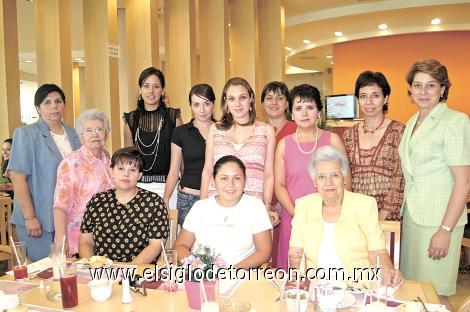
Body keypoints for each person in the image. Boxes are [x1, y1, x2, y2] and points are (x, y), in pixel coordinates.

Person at [398, 59, 470, 303]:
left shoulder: (455, 121)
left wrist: (445, 230)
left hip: (439, 222)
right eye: (417, 85)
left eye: (431, 85)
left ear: (443, 88)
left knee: (435, 296)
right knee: (415, 291)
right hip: (413, 217)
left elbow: (463, 183)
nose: (423, 91)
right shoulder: (412, 122)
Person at [289, 145, 403, 286]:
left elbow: (378, 252)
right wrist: (298, 285)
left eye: (335, 175)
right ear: (314, 182)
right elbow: (296, 251)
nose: (328, 182)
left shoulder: (365, 205)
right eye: (322, 177)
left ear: (344, 178)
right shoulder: (303, 205)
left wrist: (387, 271)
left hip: (358, 288)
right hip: (317, 289)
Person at [274, 84, 350, 271]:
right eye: (298, 108)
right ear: (291, 112)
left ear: (319, 111)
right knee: (294, 278)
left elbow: (346, 180)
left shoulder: (332, 140)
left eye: (310, 107)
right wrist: (297, 214)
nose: (304, 113)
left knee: (327, 271)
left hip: (329, 218)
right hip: (294, 218)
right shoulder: (284, 145)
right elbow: (279, 185)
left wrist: (330, 212)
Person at [8, 84, 81, 261]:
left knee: (70, 271)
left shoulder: (74, 133)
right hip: (39, 219)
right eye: (47, 102)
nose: (54, 106)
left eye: (58, 101)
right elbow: (18, 178)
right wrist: (30, 217)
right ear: (38, 108)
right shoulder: (26, 134)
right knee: (44, 273)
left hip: (69, 218)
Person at [200, 77, 278, 225]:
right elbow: (208, 170)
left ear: (251, 100)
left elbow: (269, 174)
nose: (237, 104)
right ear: (226, 103)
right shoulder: (215, 129)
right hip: (217, 203)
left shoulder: (266, 130)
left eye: (242, 97)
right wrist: (203, 205)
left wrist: (266, 206)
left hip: (253, 205)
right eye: (231, 98)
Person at [174, 155, 272, 268]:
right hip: (202, 277)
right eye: (224, 178)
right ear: (213, 181)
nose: (230, 184)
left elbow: (264, 252)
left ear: (245, 181)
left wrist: (231, 271)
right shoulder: (200, 207)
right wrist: (195, 266)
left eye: (237, 178)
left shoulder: (255, 207)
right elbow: (181, 245)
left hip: (239, 276)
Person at [79, 147, 169, 264]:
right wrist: (93, 265)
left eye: (132, 170)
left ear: (140, 175)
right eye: (121, 168)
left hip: (139, 272)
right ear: (111, 171)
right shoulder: (97, 201)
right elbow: (85, 242)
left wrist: (127, 271)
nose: (126, 174)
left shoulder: (154, 203)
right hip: (101, 272)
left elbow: (155, 246)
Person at [342, 71, 405, 221]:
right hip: (356, 215)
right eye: (363, 96)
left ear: (386, 98)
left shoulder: (399, 131)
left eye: (375, 95)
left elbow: (400, 176)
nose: (369, 102)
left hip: (389, 216)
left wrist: (383, 215)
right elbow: (344, 176)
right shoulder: (348, 135)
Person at [53, 109, 114, 257]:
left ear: (106, 134)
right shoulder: (71, 163)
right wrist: (62, 242)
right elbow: (60, 206)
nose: (95, 134)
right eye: (88, 130)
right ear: (81, 137)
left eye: (99, 129)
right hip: (78, 240)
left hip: (108, 238)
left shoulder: (109, 160)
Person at [123, 67, 182, 209]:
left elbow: (181, 159)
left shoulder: (173, 117)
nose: (151, 91)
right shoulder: (130, 119)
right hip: (138, 187)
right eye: (146, 86)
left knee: (168, 231)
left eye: (156, 86)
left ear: (162, 90)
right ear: (140, 90)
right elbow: (129, 159)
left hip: (169, 187)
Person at [163, 84, 215, 227]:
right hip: (189, 198)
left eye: (207, 104)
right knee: (188, 247)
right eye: (196, 104)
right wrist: (166, 199)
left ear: (214, 104)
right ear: (190, 106)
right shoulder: (181, 132)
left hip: (216, 197)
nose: (202, 110)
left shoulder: (222, 130)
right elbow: (174, 170)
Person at [261, 81, 296, 267]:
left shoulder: (296, 130)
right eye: (269, 98)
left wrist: (283, 203)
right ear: (261, 103)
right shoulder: (256, 130)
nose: (274, 102)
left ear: (287, 104)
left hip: (289, 202)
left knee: (287, 255)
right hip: (261, 201)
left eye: (280, 98)